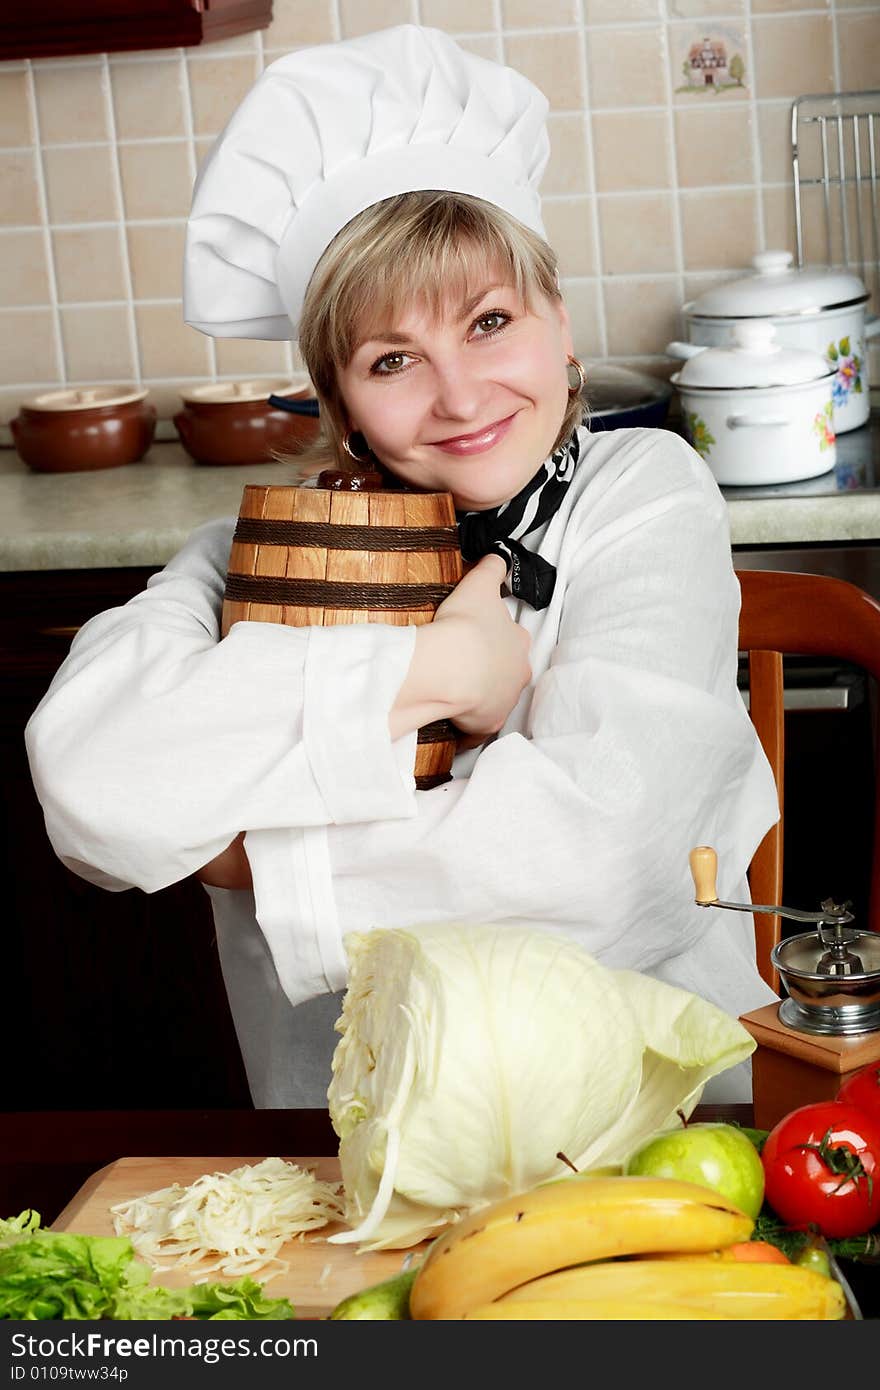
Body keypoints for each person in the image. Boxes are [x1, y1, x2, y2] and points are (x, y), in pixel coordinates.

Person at [25, 25, 780, 1108]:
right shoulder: (251, 559)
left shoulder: (642, 491)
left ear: (559, 326)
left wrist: (242, 857)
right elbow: (90, 781)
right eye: (391, 359)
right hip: (346, 1142)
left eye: (489, 322)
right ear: (339, 405)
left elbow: (601, 861)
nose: (462, 396)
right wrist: (432, 671)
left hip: (645, 1124)